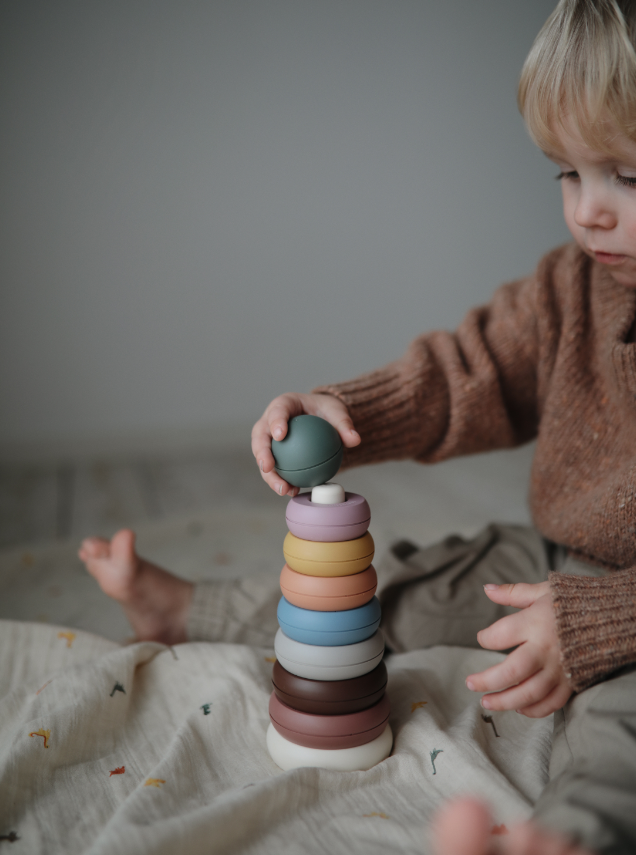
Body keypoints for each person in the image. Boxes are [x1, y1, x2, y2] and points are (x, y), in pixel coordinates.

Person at [79, 1, 636, 852]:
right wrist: (346, 417)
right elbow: (463, 375)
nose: (589, 209)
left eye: (626, 177)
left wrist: (605, 620)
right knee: (382, 594)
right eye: (566, 172)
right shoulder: (572, 287)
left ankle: (566, 838)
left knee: (620, 730)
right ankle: (193, 608)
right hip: (549, 559)